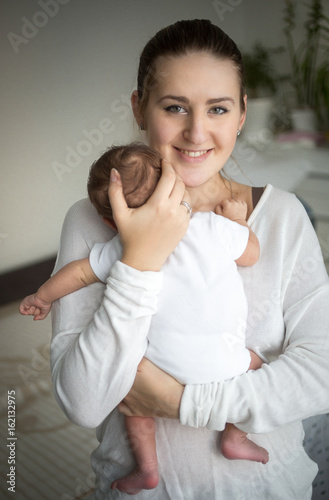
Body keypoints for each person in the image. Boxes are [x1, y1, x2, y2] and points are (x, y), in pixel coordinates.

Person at [49, 19, 329, 500]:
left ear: (241, 114)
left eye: (217, 109)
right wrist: (138, 261)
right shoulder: (93, 219)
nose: (197, 132)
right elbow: (83, 402)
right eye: (175, 107)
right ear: (140, 108)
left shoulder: (279, 218)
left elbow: (320, 374)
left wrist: (183, 403)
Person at [20, 142, 268, 495]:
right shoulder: (210, 227)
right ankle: (235, 435)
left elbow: (78, 273)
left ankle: (148, 469)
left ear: (110, 221)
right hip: (226, 363)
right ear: (175, 187)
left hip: (157, 369)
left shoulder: (120, 249)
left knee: (133, 403)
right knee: (257, 364)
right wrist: (238, 221)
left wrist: (42, 297)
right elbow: (252, 254)